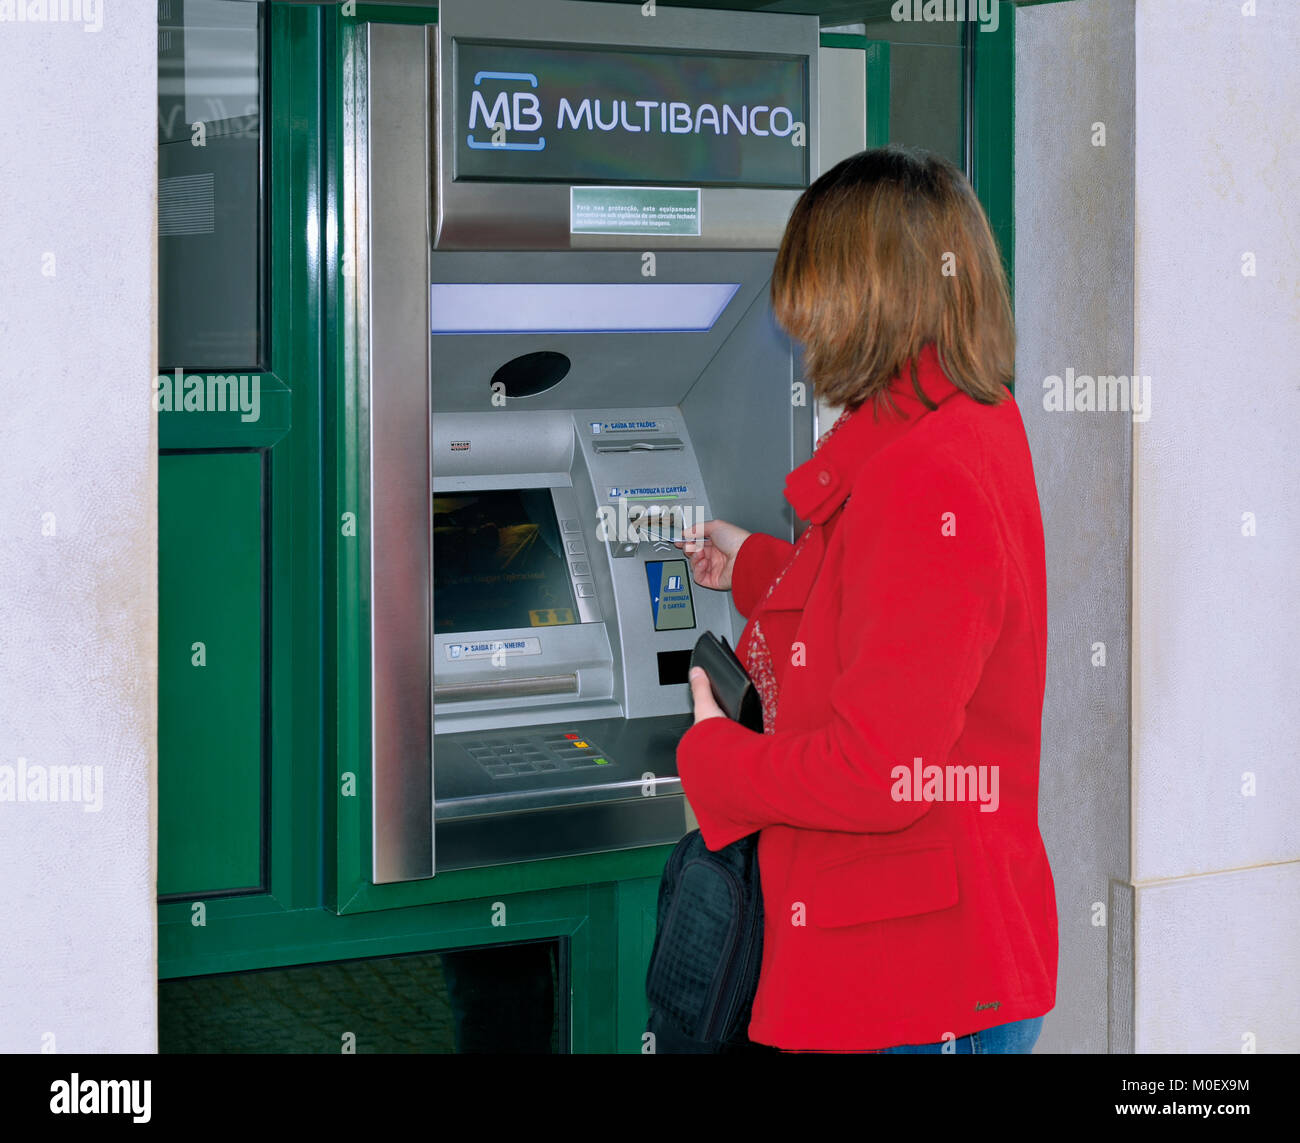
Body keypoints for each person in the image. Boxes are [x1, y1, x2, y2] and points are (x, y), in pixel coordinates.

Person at [674, 146, 1057, 1054]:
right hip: (928, 965)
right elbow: (902, 619)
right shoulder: (963, 422)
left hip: (914, 985)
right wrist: (761, 567)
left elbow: (880, 770)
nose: (798, 325)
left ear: (865, 296)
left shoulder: (925, 474)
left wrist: (715, 758)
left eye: (810, 294)